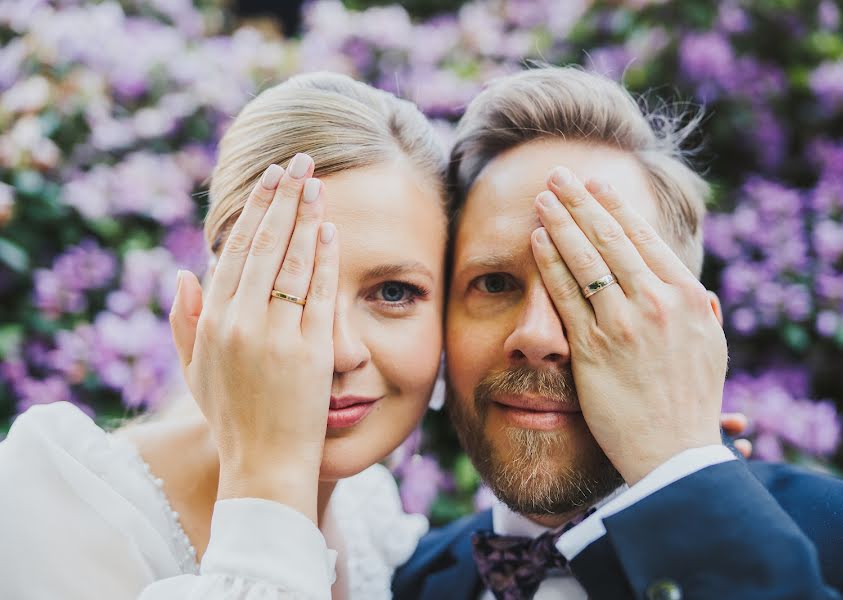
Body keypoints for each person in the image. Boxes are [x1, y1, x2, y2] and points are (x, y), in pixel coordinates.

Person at [0, 70, 751, 599]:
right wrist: (266, 482)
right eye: (292, 287)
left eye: (394, 292)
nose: (338, 351)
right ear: (204, 310)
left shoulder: (374, 526)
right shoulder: (49, 503)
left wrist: (667, 466)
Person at [392, 67, 843, 600]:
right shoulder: (412, 578)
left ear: (698, 336)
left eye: (599, 284)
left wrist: (677, 470)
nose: (537, 335)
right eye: (494, 283)